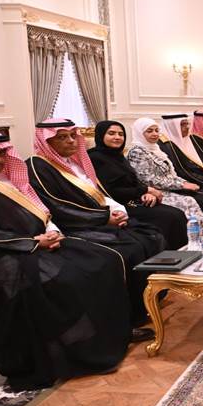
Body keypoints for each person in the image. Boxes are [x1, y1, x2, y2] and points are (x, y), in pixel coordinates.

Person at [0, 129, 131, 390]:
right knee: (67, 278)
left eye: (2, 153)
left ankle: (97, 338)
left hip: (27, 245)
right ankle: (65, 348)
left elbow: (37, 211)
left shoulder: (1, 177)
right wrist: (32, 242)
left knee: (103, 260)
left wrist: (49, 231)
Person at [27, 119, 164, 336]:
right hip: (74, 225)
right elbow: (57, 207)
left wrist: (118, 212)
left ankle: (145, 306)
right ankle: (125, 320)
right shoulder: (38, 166)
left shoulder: (73, 162)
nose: (71, 141)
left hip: (96, 219)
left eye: (73, 136)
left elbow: (99, 194)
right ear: (47, 141)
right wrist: (104, 218)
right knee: (128, 251)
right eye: (62, 137)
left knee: (151, 235)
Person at [88, 120, 188, 249]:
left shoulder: (117, 155)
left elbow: (133, 180)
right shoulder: (95, 158)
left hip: (135, 199)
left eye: (121, 134)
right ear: (101, 135)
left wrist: (145, 193)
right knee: (170, 216)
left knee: (176, 213)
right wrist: (145, 190)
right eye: (111, 133)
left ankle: (182, 254)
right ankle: (169, 256)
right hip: (119, 206)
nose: (117, 137)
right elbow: (111, 191)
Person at [124, 117, 203, 229]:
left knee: (201, 200)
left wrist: (184, 182)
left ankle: (201, 234)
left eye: (156, 130)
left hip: (167, 188)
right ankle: (195, 236)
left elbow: (170, 174)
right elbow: (148, 179)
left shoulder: (155, 149)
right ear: (139, 133)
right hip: (153, 192)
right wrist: (181, 185)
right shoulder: (137, 152)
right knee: (189, 202)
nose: (155, 134)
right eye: (149, 131)